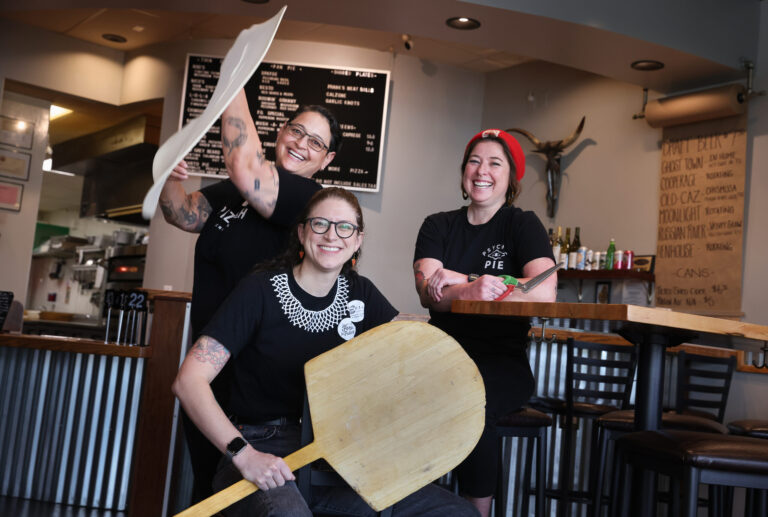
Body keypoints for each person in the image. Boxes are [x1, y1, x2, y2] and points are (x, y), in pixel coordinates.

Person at [172, 187, 479, 517]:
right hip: (262, 446)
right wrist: (244, 455)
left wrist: (465, 288)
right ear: (302, 232)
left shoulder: (362, 293)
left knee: (455, 512)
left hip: (340, 455)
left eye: (345, 227)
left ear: (357, 240)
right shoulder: (258, 290)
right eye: (320, 224)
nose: (332, 235)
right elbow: (189, 381)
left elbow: (412, 350)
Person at [159, 88, 341, 501]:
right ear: (280, 132)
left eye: (315, 142)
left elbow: (245, 166)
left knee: (246, 495)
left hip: (258, 386)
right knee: (208, 489)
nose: (300, 143)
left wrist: (233, 84)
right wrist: (170, 179)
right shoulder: (231, 192)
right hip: (208, 366)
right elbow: (183, 214)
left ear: (326, 160)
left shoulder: (309, 200)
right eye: (296, 131)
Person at [412, 128, 557, 516]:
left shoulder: (521, 224)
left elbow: (543, 290)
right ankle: (412, 503)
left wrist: (464, 280)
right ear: (463, 172)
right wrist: (469, 289)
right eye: (474, 161)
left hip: (502, 362)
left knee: (471, 401)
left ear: (510, 178)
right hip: (441, 355)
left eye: (495, 163)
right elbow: (429, 293)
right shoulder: (437, 225)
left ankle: (477, 512)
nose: (482, 171)